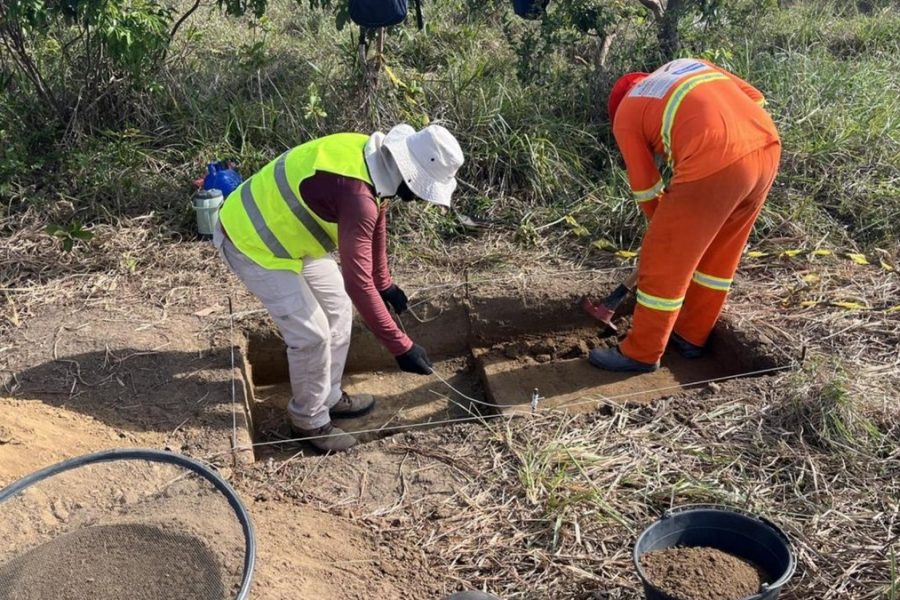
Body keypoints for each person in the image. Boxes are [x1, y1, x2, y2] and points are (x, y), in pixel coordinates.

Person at [215, 124, 465, 450]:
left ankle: (328, 396)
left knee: (337, 307)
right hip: (252, 238)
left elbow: (378, 222)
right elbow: (358, 283)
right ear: (410, 174)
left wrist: (385, 283)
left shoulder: (374, 162)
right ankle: (309, 421)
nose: (421, 199)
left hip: (290, 235)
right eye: (424, 190)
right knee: (312, 335)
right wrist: (401, 347)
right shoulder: (358, 193)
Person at [590, 58, 781, 372]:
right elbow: (756, 98)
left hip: (715, 157)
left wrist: (666, 235)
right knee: (719, 256)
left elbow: (647, 189)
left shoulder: (626, 113)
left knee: (662, 259)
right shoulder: (685, 66)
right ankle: (690, 336)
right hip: (766, 148)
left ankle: (641, 353)